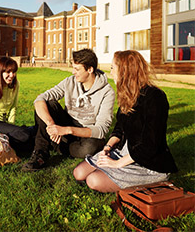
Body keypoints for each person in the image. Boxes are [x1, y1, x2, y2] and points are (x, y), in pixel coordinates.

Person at [73, 50, 178, 193]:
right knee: (79, 173)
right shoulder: (127, 95)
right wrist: (107, 148)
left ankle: (153, 182)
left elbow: (150, 145)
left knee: (93, 180)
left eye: (112, 68)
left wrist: (116, 164)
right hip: (125, 152)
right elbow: (120, 128)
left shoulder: (155, 98)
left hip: (148, 163)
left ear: (124, 71)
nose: (110, 73)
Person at [22, 49, 115, 171]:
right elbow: (40, 99)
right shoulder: (69, 82)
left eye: (77, 69)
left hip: (84, 134)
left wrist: (66, 130)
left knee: (91, 147)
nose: (73, 72)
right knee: (48, 104)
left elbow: (101, 130)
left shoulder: (107, 92)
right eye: (73, 68)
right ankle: (41, 153)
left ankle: (54, 144)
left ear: (90, 69)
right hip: (65, 126)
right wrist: (51, 125)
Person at [0, 56, 35, 153]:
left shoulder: (15, 85)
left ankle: (15, 144)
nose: (12, 75)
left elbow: (13, 107)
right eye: (8, 72)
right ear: (0, 72)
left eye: (13, 72)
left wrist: (11, 127)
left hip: (5, 125)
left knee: (30, 133)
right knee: (25, 135)